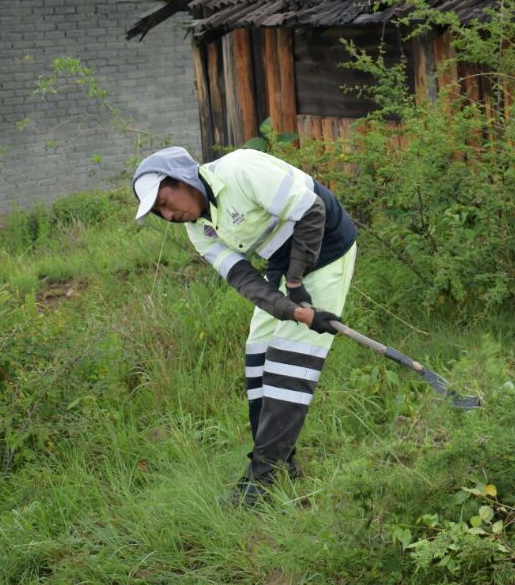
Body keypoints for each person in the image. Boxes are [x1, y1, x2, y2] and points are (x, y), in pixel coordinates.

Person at [132, 146, 357, 506]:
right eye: (159, 213)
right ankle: (283, 465)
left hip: (326, 245)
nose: (168, 214)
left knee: (290, 363)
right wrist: (291, 309)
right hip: (282, 263)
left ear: (182, 179)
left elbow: (311, 210)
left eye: (164, 202)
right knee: (259, 356)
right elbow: (244, 279)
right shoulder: (198, 229)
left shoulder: (240, 170)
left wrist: (296, 281)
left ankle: (262, 480)